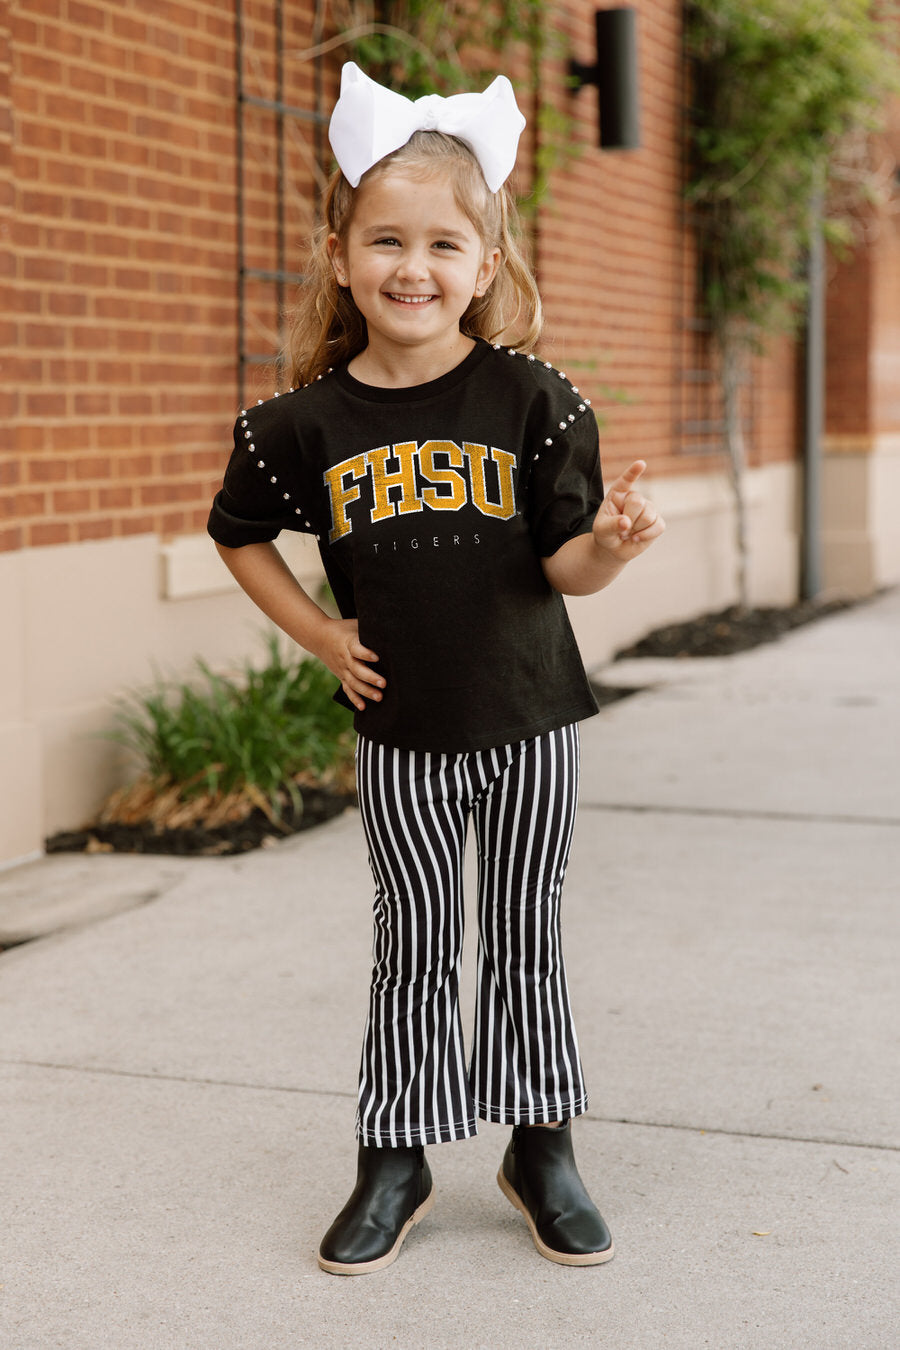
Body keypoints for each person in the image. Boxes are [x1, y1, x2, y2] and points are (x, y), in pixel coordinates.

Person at [208, 61, 665, 1275]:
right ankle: (395, 1156)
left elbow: (565, 567)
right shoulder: (300, 425)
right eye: (388, 240)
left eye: (444, 245)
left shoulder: (535, 402)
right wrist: (321, 634)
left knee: (525, 932)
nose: (415, 268)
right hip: (402, 729)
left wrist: (612, 548)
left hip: (533, 720)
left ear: (486, 263)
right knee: (412, 938)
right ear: (340, 256)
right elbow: (238, 535)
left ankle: (540, 1146)